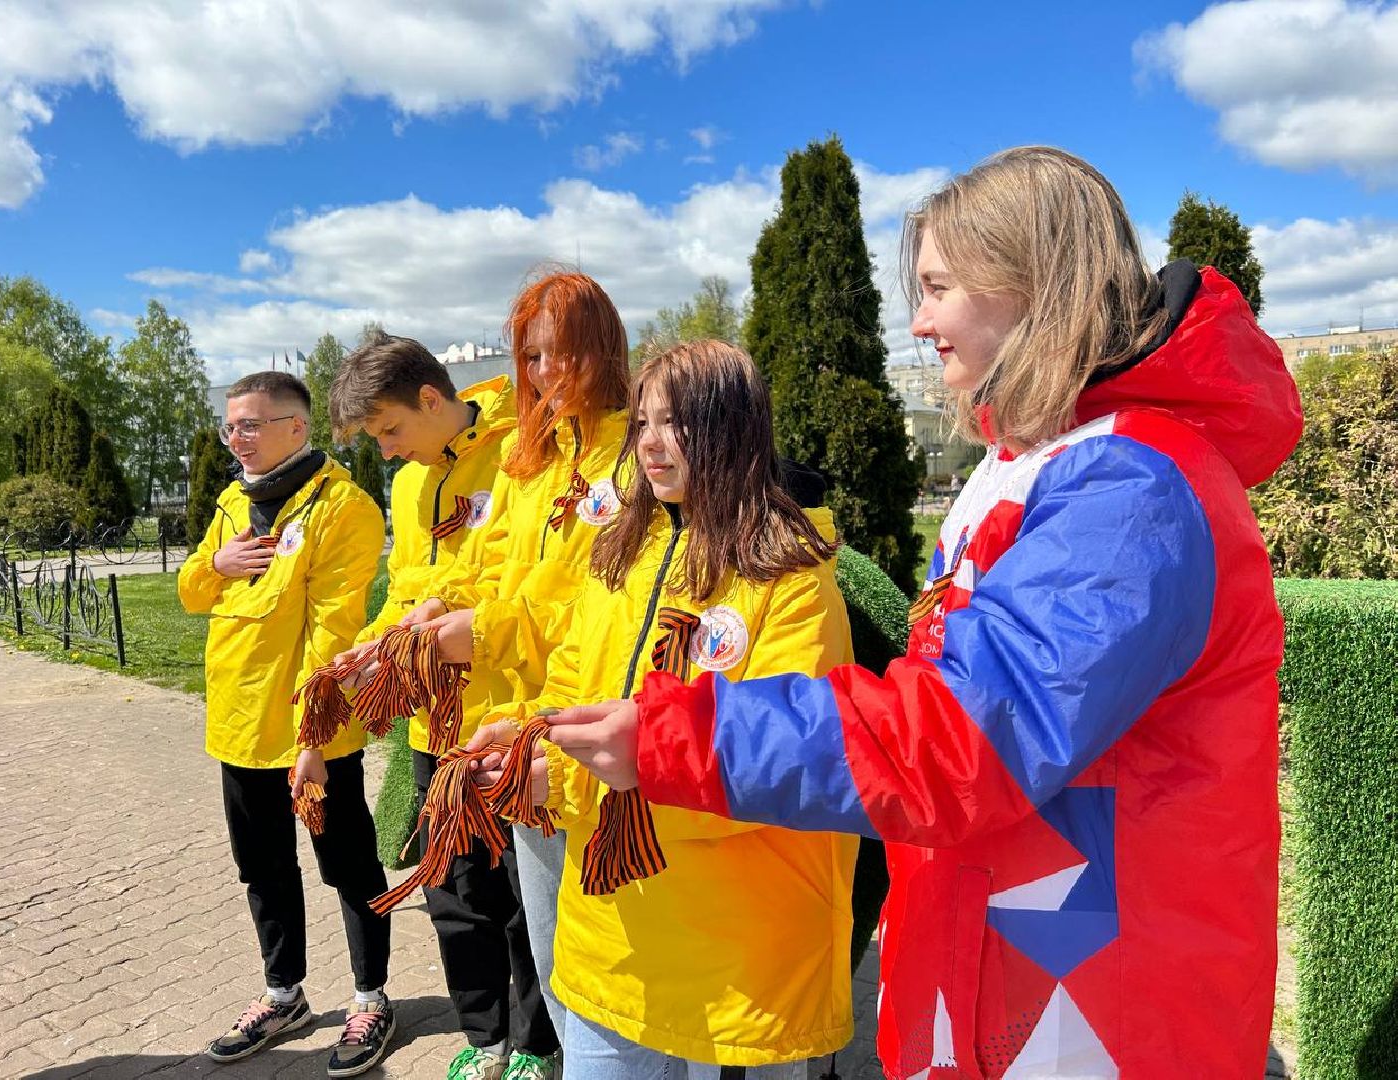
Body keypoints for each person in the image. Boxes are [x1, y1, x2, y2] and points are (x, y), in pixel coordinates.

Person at [543, 147, 1304, 1078]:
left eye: (939, 286)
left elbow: (964, 732)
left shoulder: (1127, 487)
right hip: (1027, 962)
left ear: (1029, 281)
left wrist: (678, 739)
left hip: (1091, 1004)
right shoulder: (1045, 461)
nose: (919, 320)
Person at [472, 339, 858, 1077]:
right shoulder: (620, 554)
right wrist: (529, 748)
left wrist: (579, 779)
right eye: (642, 422)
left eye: (675, 421)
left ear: (732, 428)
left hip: (738, 967)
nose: (649, 442)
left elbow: (781, 767)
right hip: (611, 943)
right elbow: (574, 690)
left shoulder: (792, 583)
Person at [405, 269, 631, 1060]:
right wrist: (436, 606)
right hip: (511, 729)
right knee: (545, 935)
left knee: (604, 948)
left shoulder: (631, 458)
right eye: (530, 358)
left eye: (560, 354)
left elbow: (593, 604)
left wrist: (486, 629)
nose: (543, 375)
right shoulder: (526, 458)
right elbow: (491, 563)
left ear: (601, 351)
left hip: (587, 732)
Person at [324, 333, 561, 1080]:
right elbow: (406, 591)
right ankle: (483, 1033)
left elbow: (525, 583)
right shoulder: (408, 484)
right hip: (434, 724)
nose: (388, 453)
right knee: (452, 886)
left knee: (523, 893)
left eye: (391, 431)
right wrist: (369, 648)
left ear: (433, 399)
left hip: (503, 717)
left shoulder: (524, 449)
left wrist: (438, 619)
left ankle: (534, 1042)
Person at [177, 372, 395, 1077]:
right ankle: (284, 995)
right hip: (239, 728)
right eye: (229, 427)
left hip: (310, 735)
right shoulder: (233, 502)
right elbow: (189, 592)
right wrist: (218, 560)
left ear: (296, 428)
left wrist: (313, 745)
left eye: (250, 425)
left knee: (348, 866)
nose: (234, 439)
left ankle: (371, 998)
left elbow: (330, 639)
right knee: (262, 869)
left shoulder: (344, 509)